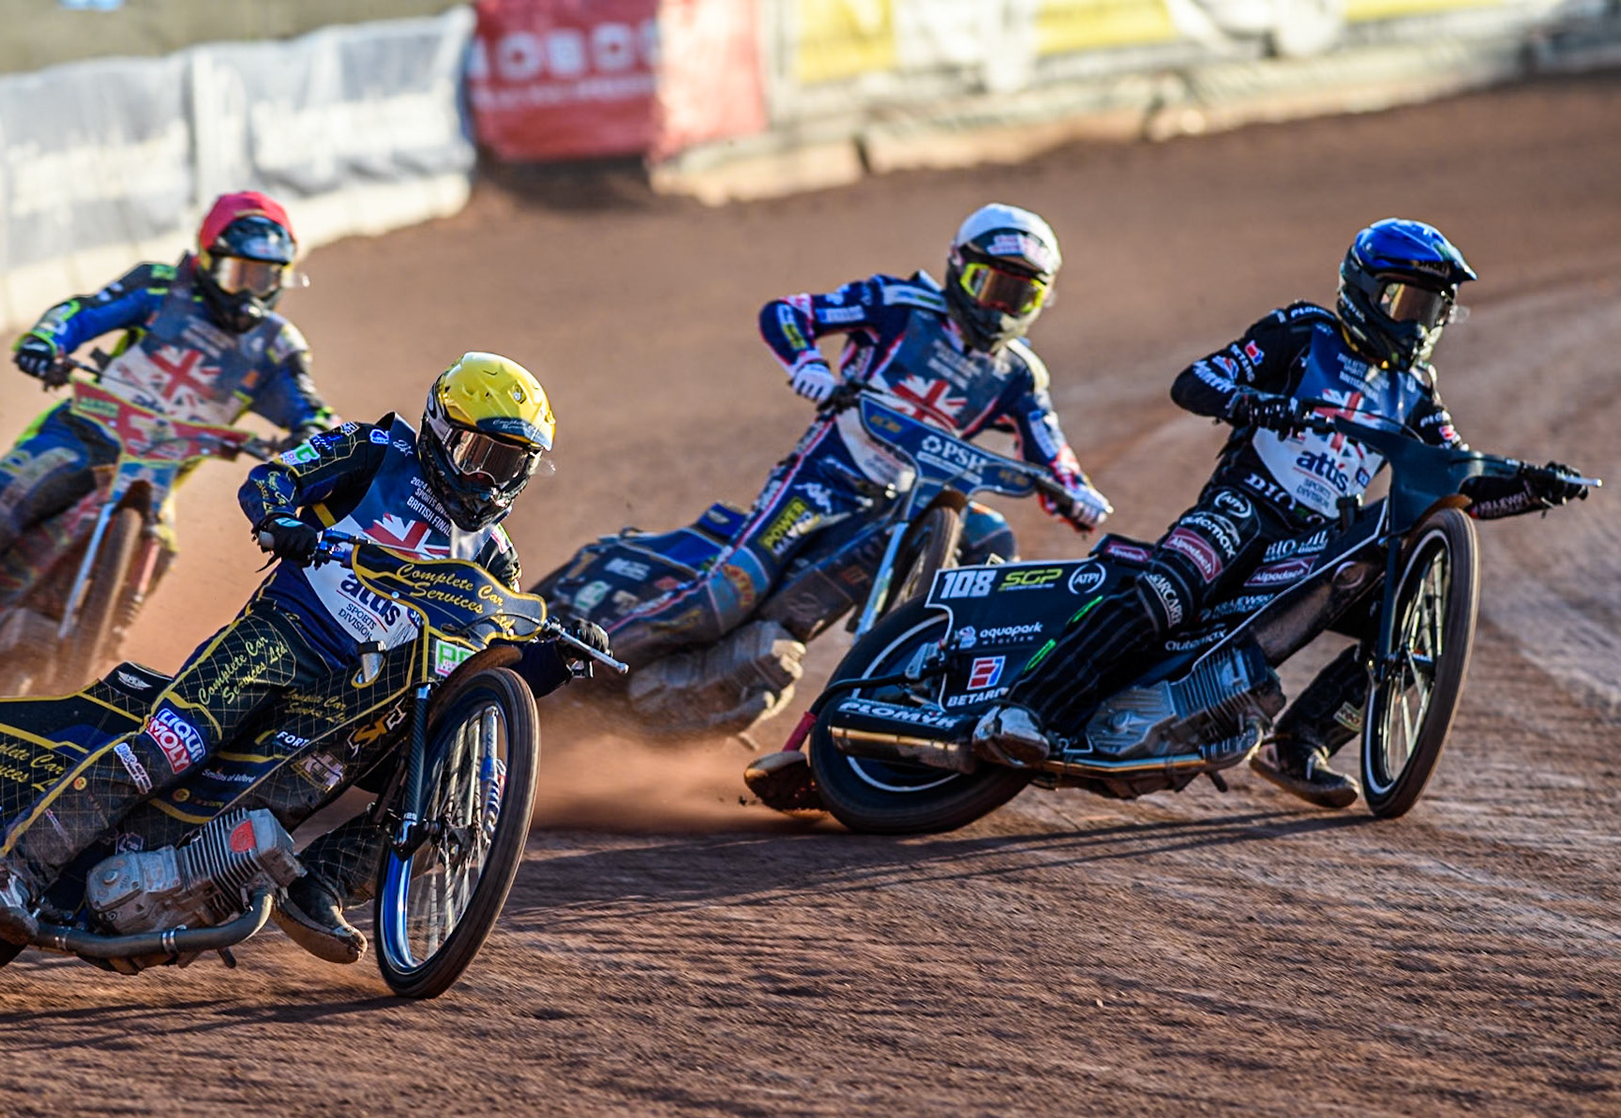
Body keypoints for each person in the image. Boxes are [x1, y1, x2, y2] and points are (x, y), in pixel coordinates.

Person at [0, 352, 595, 960]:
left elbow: (482, 669)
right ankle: (8, 873)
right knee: (169, 746)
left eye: (511, 465)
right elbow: (274, 478)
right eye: (479, 454)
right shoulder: (375, 449)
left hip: (361, 694)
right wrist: (281, 519)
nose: (489, 478)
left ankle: (317, 887)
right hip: (284, 635)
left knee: (442, 793)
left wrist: (553, 661)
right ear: (437, 427)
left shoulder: (495, 557)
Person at [972, 218, 1589, 806]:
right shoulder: (1302, 331)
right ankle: (1025, 709)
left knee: (1399, 625)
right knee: (1168, 592)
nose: (1419, 324)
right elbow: (1194, 382)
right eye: (1408, 303)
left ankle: (1299, 746)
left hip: (1317, 545)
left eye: (1433, 309)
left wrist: (1531, 486)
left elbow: (1449, 479)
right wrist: (1259, 405)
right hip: (1243, 508)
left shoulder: (1418, 390)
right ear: (1367, 292)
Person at [0, 190, 336, 737]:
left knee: (163, 550)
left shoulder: (277, 346)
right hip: (78, 436)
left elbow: (309, 406)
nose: (250, 292)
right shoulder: (158, 286)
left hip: (154, 477)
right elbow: (79, 312)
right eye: (238, 273)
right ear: (205, 259)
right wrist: (45, 341)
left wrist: (311, 436)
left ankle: (87, 661)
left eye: (266, 278)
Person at [604, 203, 1111, 714]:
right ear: (958, 267)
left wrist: (1078, 493)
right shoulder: (897, 303)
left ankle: (937, 688)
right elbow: (787, 313)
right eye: (991, 286)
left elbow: (1050, 449)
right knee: (727, 596)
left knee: (992, 535)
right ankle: (579, 661)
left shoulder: (1020, 376)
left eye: (1022, 295)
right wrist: (809, 366)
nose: (1001, 308)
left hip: (913, 501)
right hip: (825, 477)